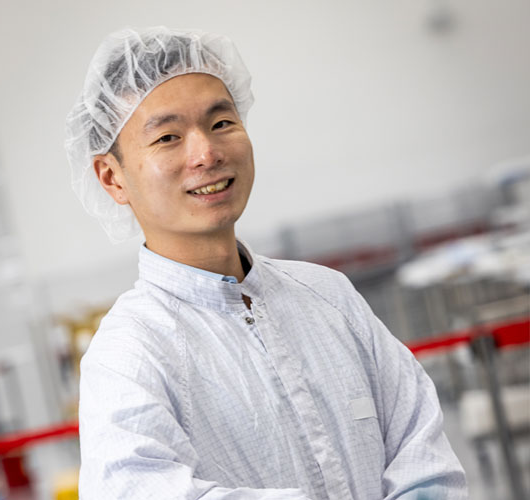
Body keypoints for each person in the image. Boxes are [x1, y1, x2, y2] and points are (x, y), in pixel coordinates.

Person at [65, 26, 468, 500]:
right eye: (169, 137)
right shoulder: (129, 355)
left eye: (221, 123)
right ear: (112, 178)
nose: (206, 153)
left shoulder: (328, 296)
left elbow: (422, 453)